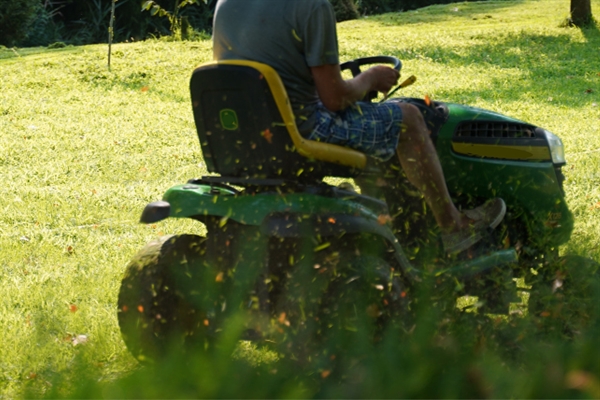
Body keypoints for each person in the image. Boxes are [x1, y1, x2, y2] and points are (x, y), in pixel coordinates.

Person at [212, 0, 505, 254]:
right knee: (410, 118)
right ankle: (452, 225)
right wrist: (371, 79)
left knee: (374, 122)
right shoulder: (312, 6)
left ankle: (383, 223)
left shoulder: (225, 4)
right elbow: (336, 98)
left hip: (247, 138)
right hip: (305, 131)